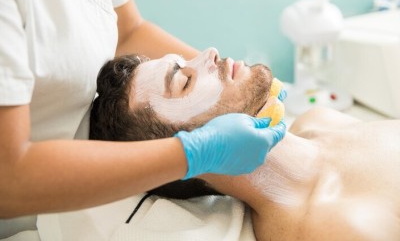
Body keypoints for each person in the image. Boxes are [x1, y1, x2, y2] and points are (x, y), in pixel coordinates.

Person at [0, 0, 286, 239]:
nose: (212, 51)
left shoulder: (316, 125)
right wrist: (195, 152)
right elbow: (8, 180)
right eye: (184, 83)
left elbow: (128, 33)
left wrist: (233, 84)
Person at [90, 50, 400, 240]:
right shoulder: (335, 227)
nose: (209, 52)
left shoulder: (319, 120)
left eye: (185, 61)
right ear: (192, 148)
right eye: (184, 81)